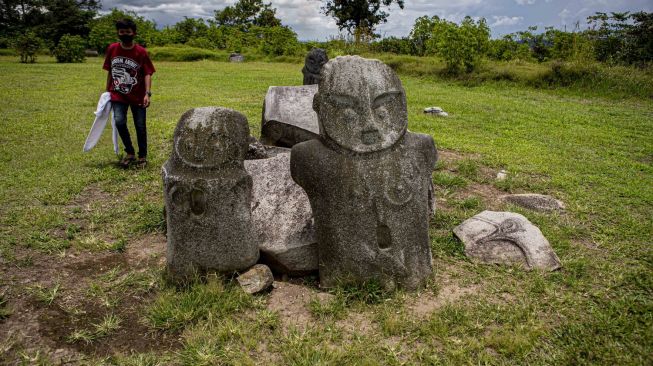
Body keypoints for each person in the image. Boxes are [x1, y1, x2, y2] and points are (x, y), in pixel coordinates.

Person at [103, 19, 156, 168]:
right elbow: (110, 71)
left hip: (138, 95)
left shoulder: (141, 52)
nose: (124, 34)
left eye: (128, 32)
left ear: (134, 33)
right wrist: (107, 91)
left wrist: (147, 93)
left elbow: (147, 73)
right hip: (118, 94)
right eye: (122, 32)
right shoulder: (112, 49)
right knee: (119, 122)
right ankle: (130, 152)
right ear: (118, 33)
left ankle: (142, 156)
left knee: (140, 126)